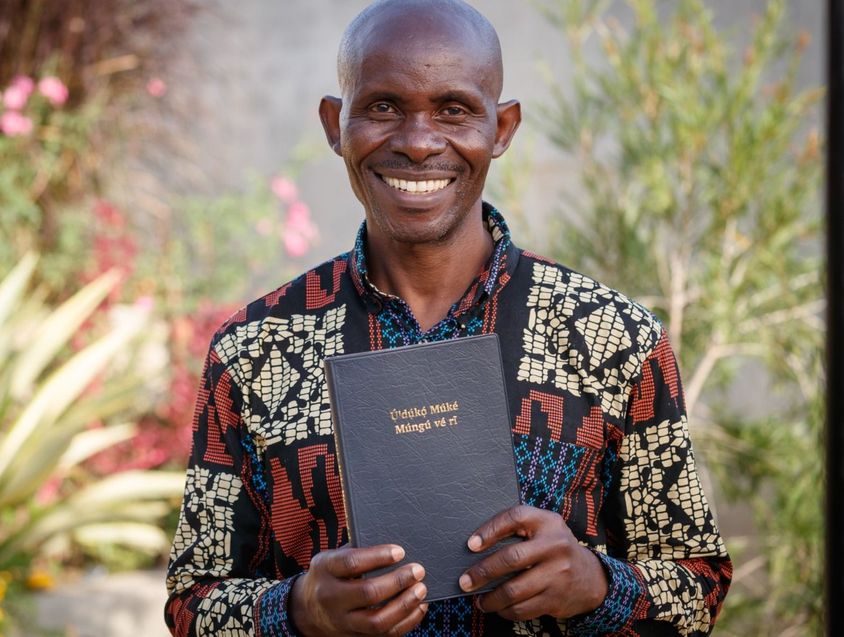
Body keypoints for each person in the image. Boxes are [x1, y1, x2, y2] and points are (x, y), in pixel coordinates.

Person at [164, 0, 733, 635]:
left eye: (454, 110)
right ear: (334, 124)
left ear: (502, 127)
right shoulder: (255, 349)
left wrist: (593, 584)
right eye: (382, 107)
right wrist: (302, 608)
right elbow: (192, 603)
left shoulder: (614, 339)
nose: (416, 141)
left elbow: (698, 589)